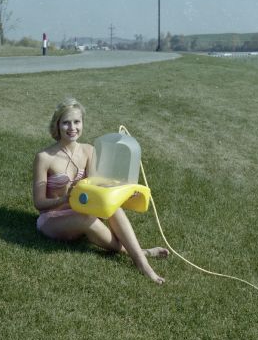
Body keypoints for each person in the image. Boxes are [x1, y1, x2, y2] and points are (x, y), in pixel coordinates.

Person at [32, 98, 169, 284]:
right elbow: (39, 204)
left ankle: (141, 262)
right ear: (57, 125)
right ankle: (140, 253)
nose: (72, 127)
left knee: (114, 209)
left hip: (80, 212)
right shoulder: (44, 157)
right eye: (66, 122)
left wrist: (128, 193)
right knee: (86, 219)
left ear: (82, 124)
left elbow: (98, 187)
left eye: (76, 122)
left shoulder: (89, 151)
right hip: (53, 219)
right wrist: (66, 198)